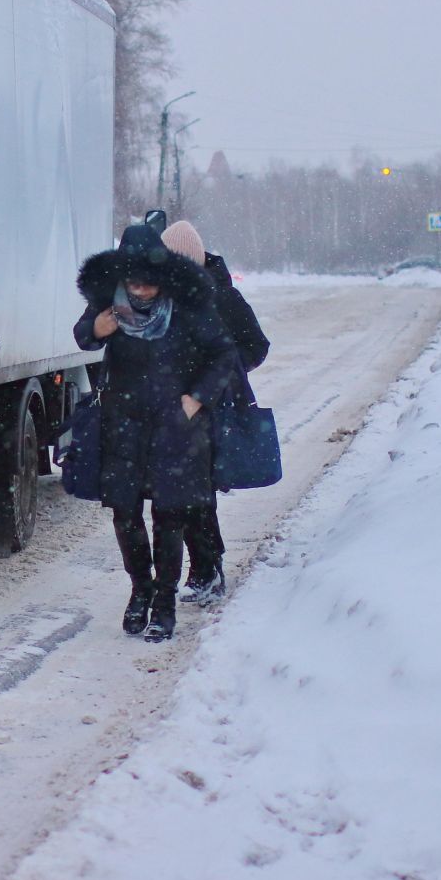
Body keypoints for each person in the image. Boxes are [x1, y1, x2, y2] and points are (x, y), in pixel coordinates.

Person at [74, 222, 239, 642]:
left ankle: (164, 604)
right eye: (133, 283)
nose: (142, 292)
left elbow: (224, 353)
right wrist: (98, 328)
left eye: (149, 284)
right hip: (123, 426)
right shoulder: (110, 306)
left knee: (170, 516)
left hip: (175, 428)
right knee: (125, 514)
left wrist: (195, 399)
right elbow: (83, 336)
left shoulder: (185, 305)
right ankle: (140, 590)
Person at [157, 220, 270, 607]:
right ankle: (204, 568)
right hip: (172, 411)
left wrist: (222, 373)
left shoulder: (223, 297)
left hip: (214, 409)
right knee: (180, 493)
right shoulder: (162, 297)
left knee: (198, 492)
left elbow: (256, 345)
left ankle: (208, 568)